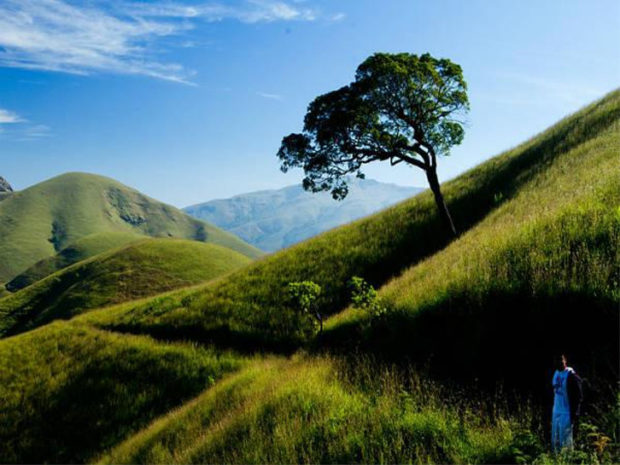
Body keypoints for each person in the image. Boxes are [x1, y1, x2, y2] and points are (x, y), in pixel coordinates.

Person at [551, 354, 583, 452]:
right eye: (556, 360)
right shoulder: (556, 373)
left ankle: (567, 461)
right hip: (556, 411)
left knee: (565, 443)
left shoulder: (571, 375)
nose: (559, 362)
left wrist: (575, 413)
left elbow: (579, 396)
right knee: (555, 441)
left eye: (561, 360)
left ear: (565, 361)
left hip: (566, 412)